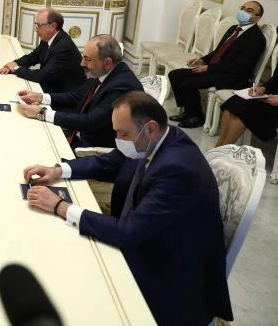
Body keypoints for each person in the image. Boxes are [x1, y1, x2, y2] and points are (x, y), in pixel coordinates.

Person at [23, 91, 232, 326]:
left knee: (70, 283)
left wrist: (60, 206)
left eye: (123, 134)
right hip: (148, 237)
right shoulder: (156, 139)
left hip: (169, 277)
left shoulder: (177, 169)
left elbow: (127, 232)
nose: (118, 140)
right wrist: (58, 170)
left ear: (150, 128)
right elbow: (108, 163)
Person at [17, 34, 142, 149]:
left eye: (88, 59)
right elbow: (76, 97)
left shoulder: (122, 86)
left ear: (107, 62)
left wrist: (42, 113)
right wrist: (40, 97)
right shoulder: (105, 72)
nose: (82, 63)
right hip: (77, 134)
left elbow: (89, 122)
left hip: (90, 148)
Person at [168, 1, 265, 128]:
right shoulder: (233, 28)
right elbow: (218, 51)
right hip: (216, 68)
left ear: (257, 18)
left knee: (189, 82)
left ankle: (196, 117)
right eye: (242, 8)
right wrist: (202, 60)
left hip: (232, 76)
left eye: (249, 11)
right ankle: (188, 111)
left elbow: (240, 68)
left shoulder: (256, 39)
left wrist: (209, 68)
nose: (243, 12)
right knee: (175, 75)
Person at [0, 8, 85, 93]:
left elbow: (42, 76)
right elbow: (33, 57)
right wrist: (15, 63)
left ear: (52, 26)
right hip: (52, 87)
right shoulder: (48, 39)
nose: (36, 30)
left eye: (38, 25)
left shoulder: (64, 47)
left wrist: (16, 69)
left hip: (65, 96)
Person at [216, 63, 278, 146]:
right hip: (272, 97)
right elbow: (275, 80)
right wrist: (262, 89)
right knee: (235, 101)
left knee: (247, 111)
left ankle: (224, 147)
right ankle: (219, 144)